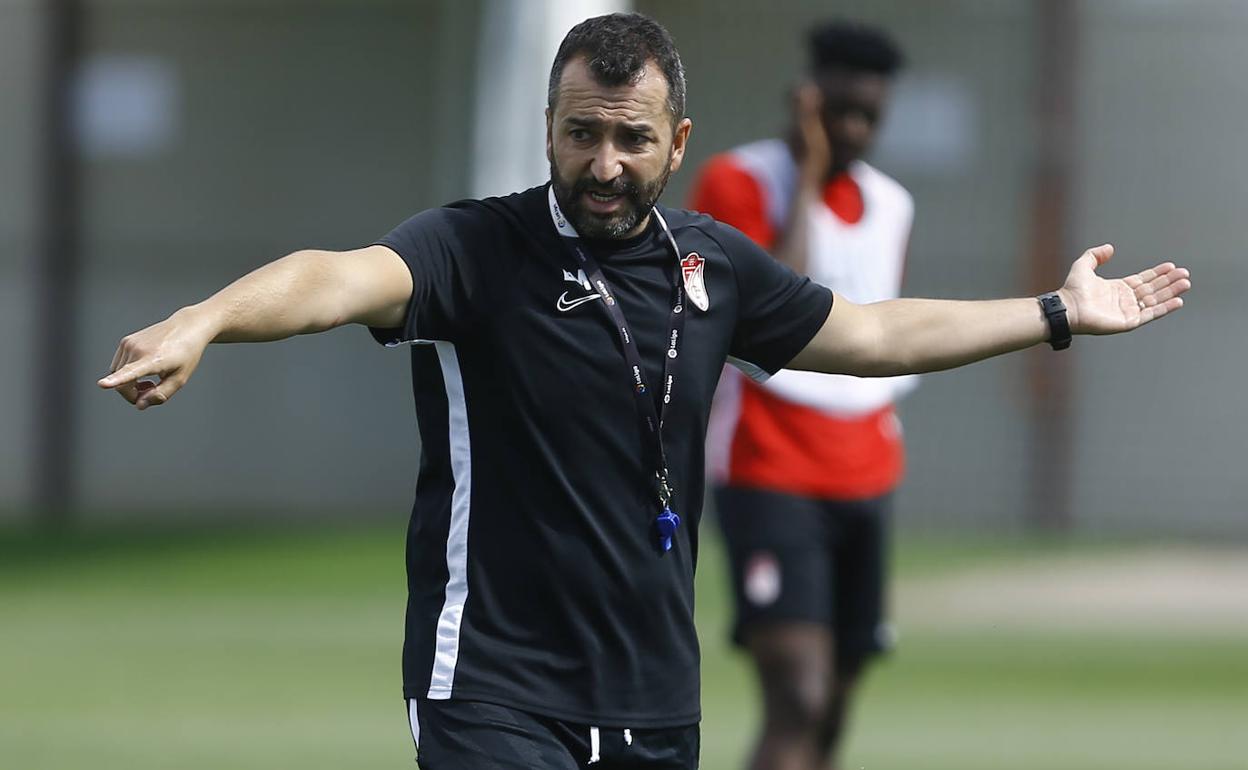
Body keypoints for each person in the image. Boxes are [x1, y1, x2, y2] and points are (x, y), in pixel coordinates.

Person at [97, 12, 1190, 770]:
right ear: (549, 129)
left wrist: (1055, 312)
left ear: (678, 143)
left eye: (632, 138)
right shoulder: (476, 248)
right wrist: (207, 318)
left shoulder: (713, 266)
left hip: (654, 695)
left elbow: (869, 333)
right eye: (582, 134)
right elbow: (334, 278)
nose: (605, 163)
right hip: (492, 689)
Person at [690, 21, 912, 770]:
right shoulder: (738, 182)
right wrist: (809, 177)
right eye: (838, 111)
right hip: (770, 468)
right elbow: (766, 319)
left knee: (836, 706)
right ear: (806, 100)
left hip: (866, 473)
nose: (853, 130)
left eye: (869, 116)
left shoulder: (893, 205)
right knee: (798, 697)